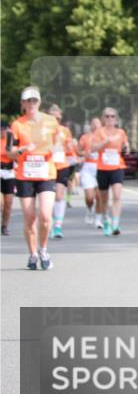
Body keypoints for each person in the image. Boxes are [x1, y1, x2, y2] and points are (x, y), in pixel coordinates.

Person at [8, 87, 60, 270]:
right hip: (25, 176)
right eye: (27, 101)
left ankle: (44, 249)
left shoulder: (51, 121)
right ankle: (32, 254)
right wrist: (22, 150)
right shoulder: (16, 125)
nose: (31, 104)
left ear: (39, 103)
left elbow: (60, 144)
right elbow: (9, 153)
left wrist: (56, 151)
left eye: (34, 101)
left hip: (46, 173)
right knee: (30, 217)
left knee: (45, 216)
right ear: (22, 104)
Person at [93, 107, 129, 236]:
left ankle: (115, 224)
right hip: (102, 168)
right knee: (103, 198)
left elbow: (126, 149)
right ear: (103, 118)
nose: (110, 119)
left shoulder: (121, 132)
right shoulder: (99, 132)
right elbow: (93, 148)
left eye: (112, 116)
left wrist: (126, 148)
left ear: (116, 119)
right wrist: (105, 142)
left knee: (117, 195)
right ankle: (106, 219)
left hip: (117, 167)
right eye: (107, 116)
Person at [47, 104, 78, 239]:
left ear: (60, 117)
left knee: (59, 196)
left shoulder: (65, 131)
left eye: (57, 116)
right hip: (47, 166)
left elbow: (70, 148)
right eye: (52, 116)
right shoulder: (43, 130)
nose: (55, 119)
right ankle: (49, 221)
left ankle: (57, 225)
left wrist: (73, 153)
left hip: (62, 165)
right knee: (48, 197)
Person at [78, 117, 101, 227]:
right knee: (90, 197)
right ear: (91, 125)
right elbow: (78, 150)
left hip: (101, 167)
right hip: (88, 167)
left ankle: (98, 219)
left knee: (100, 196)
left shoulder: (104, 137)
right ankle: (89, 208)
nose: (96, 125)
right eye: (94, 123)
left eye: (98, 123)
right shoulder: (85, 137)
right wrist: (83, 154)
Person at [1, 120, 15, 236]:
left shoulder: (11, 140)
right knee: (0, 202)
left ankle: (5, 226)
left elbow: (17, 155)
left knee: (8, 202)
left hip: (9, 172)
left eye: (4, 129)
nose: (2, 132)